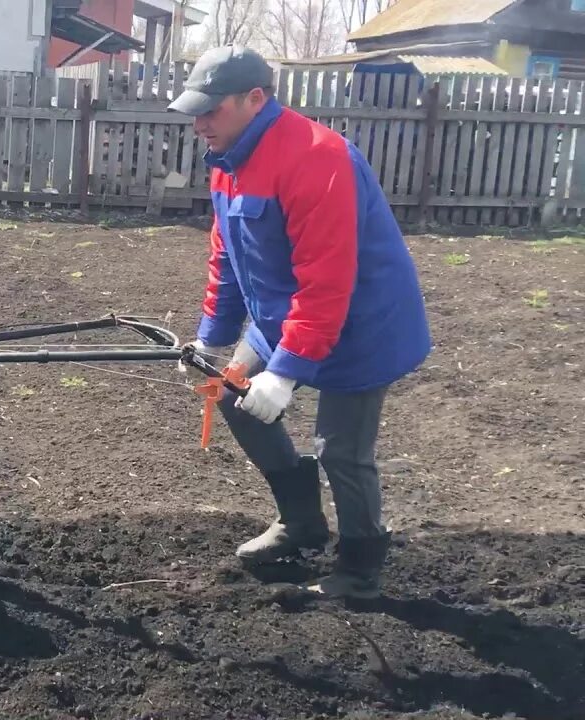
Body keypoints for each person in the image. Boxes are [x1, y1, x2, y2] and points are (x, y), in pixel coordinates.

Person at [170, 45, 432, 600]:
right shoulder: (230, 160)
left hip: (362, 323)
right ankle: (301, 522)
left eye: (210, 111)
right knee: (232, 396)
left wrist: (284, 373)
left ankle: (360, 568)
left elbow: (329, 279)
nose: (199, 124)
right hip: (281, 313)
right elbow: (228, 253)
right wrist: (212, 336)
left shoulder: (316, 157)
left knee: (342, 450)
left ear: (254, 99)